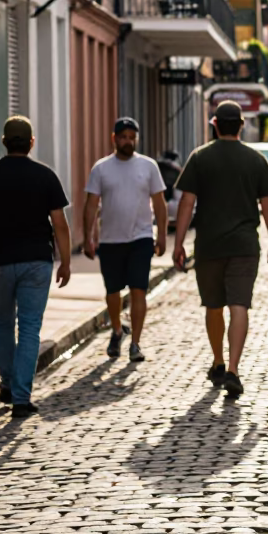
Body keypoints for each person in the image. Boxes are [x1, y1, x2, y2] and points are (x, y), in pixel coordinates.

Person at [0, 116, 72, 419]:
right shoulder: (45, 176)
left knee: (3, 323)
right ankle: (21, 397)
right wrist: (66, 261)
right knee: (31, 327)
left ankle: (8, 384)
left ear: (4, 141)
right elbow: (59, 223)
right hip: (36, 261)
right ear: (31, 142)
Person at [172, 101, 268, 396]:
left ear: (215, 124)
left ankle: (218, 362)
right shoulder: (256, 159)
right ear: (242, 125)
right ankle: (233, 368)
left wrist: (179, 242)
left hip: (209, 246)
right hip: (246, 246)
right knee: (239, 306)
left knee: (213, 305)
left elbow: (186, 202)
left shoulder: (199, 158)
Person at [82, 117, 168, 362]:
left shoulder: (148, 166)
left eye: (132, 137)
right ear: (114, 139)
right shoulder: (101, 168)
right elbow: (91, 205)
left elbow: (159, 204)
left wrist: (161, 235)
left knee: (139, 289)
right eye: (123, 137)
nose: (128, 141)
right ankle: (118, 330)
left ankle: (136, 343)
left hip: (141, 238)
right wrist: (88, 237)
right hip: (110, 240)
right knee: (113, 291)